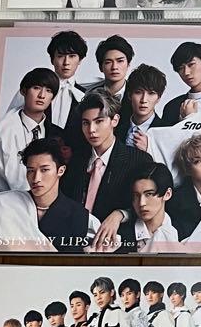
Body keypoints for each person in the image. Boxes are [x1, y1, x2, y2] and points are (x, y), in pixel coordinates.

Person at [60, 88, 153, 253]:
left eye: (99, 121)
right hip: (72, 243)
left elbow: (151, 205)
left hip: (115, 247)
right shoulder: (76, 159)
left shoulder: (138, 160)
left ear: (114, 120)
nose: (91, 130)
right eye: (86, 123)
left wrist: (120, 214)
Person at [0, 137, 94, 253]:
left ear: (61, 171)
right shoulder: (6, 205)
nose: (36, 179)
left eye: (44, 170)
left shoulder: (80, 217)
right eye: (31, 171)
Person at [0, 67, 64, 193]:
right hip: (3, 197)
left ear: (52, 97)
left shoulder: (57, 133)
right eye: (36, 88)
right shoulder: (1, 131)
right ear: (23, 91)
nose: (42, 95)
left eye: (48, 91)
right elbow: (8, 180)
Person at [114, 163, 179, 253]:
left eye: (149, 194)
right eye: (136, 195)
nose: (141, 203)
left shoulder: (182, 230)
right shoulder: (119, 236)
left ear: (167, 194)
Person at [88, 34, 134, 129]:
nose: (114, 67)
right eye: (108, 62)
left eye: (120, 61)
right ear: (100, 67)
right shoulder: (90, 95)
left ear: (128, 64)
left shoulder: (137, 95)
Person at [121, 64, 168, 149]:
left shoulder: (165, 131)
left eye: (151, 93)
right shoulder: (117, 127)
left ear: (158, 98)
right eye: (138, 92)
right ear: (129, 95)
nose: (144, 100)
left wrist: (149, 150)